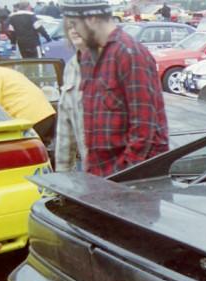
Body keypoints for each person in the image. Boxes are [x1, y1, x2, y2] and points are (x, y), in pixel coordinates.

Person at [60, 0, 169, 177]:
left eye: (75, 24)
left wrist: (122, 173)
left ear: (92, 19)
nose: (73, 31)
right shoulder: (88, 57)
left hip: (134, 180)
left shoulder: (130, 53)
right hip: (99, 175)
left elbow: (144, 129)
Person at [55, 21, 87, 172]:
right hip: (92, 174)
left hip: (122, 175)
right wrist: (63, 175)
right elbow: (65, 129)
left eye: (78, 24)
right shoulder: (71, 67)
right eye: (70, 26)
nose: (74, 30)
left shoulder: (114, 61)